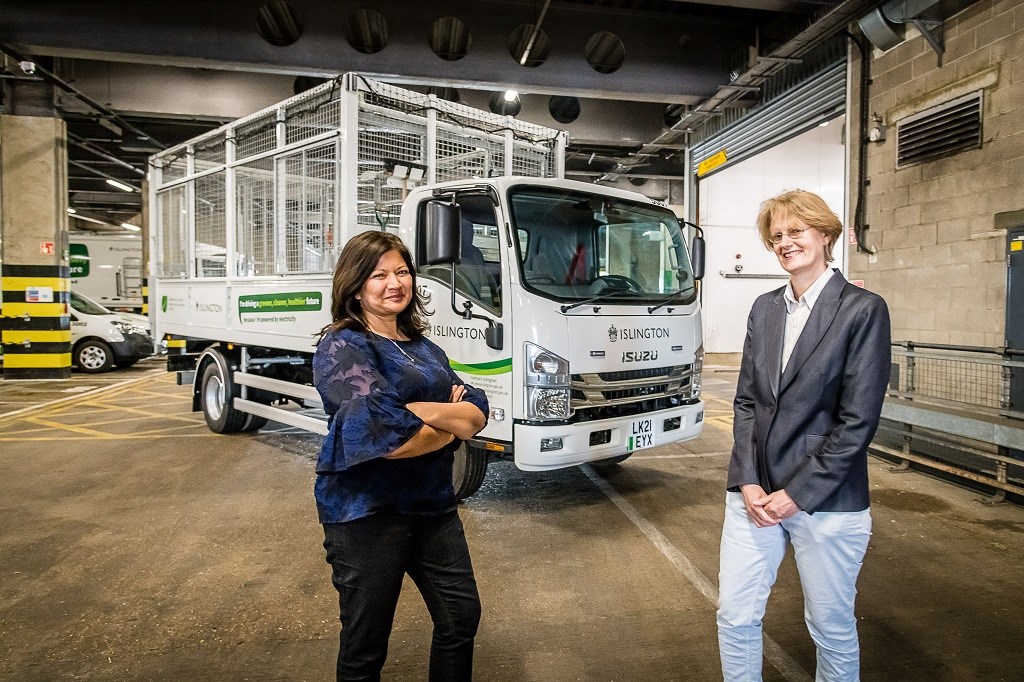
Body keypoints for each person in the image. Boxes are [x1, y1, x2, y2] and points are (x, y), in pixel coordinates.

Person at [717, 190, 891, 682]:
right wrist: (748, 481)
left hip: (827, 500)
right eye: (776, 237)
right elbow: (748, 402)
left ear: (825, 234)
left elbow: (857, 421)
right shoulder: (765, 308)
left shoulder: (862, 310)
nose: (785, 243)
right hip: (754, 495)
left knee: (830, 626)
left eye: (796, 231)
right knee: (735, 617)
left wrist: (796, 495)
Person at [312, 230, 488, 681]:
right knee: (366, 643)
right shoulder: (343, 347)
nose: (395, 283)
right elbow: (385, 439)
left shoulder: (425, 348)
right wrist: (450, 428)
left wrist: (421, 413)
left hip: (432, 505)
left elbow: (477, 410)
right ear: (355, 285)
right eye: (379, 274)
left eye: (402, 271)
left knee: (460, 619)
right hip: (367, 512)